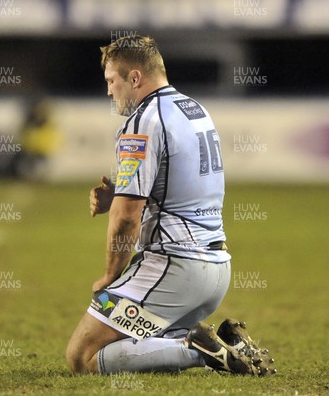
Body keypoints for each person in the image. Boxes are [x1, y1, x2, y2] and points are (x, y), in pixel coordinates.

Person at [65, 35, 275, 376]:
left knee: (83, 357)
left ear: (134, 78)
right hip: (216, 269)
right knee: (138, 346)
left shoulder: (143, 121)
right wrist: (120, 191)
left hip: (174, 266)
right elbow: (177, 180)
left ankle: (198, 350)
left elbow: (127, 217)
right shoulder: (194, 109)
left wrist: (110, 276)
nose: (108, 92)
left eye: (111, 81)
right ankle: (224, 344)